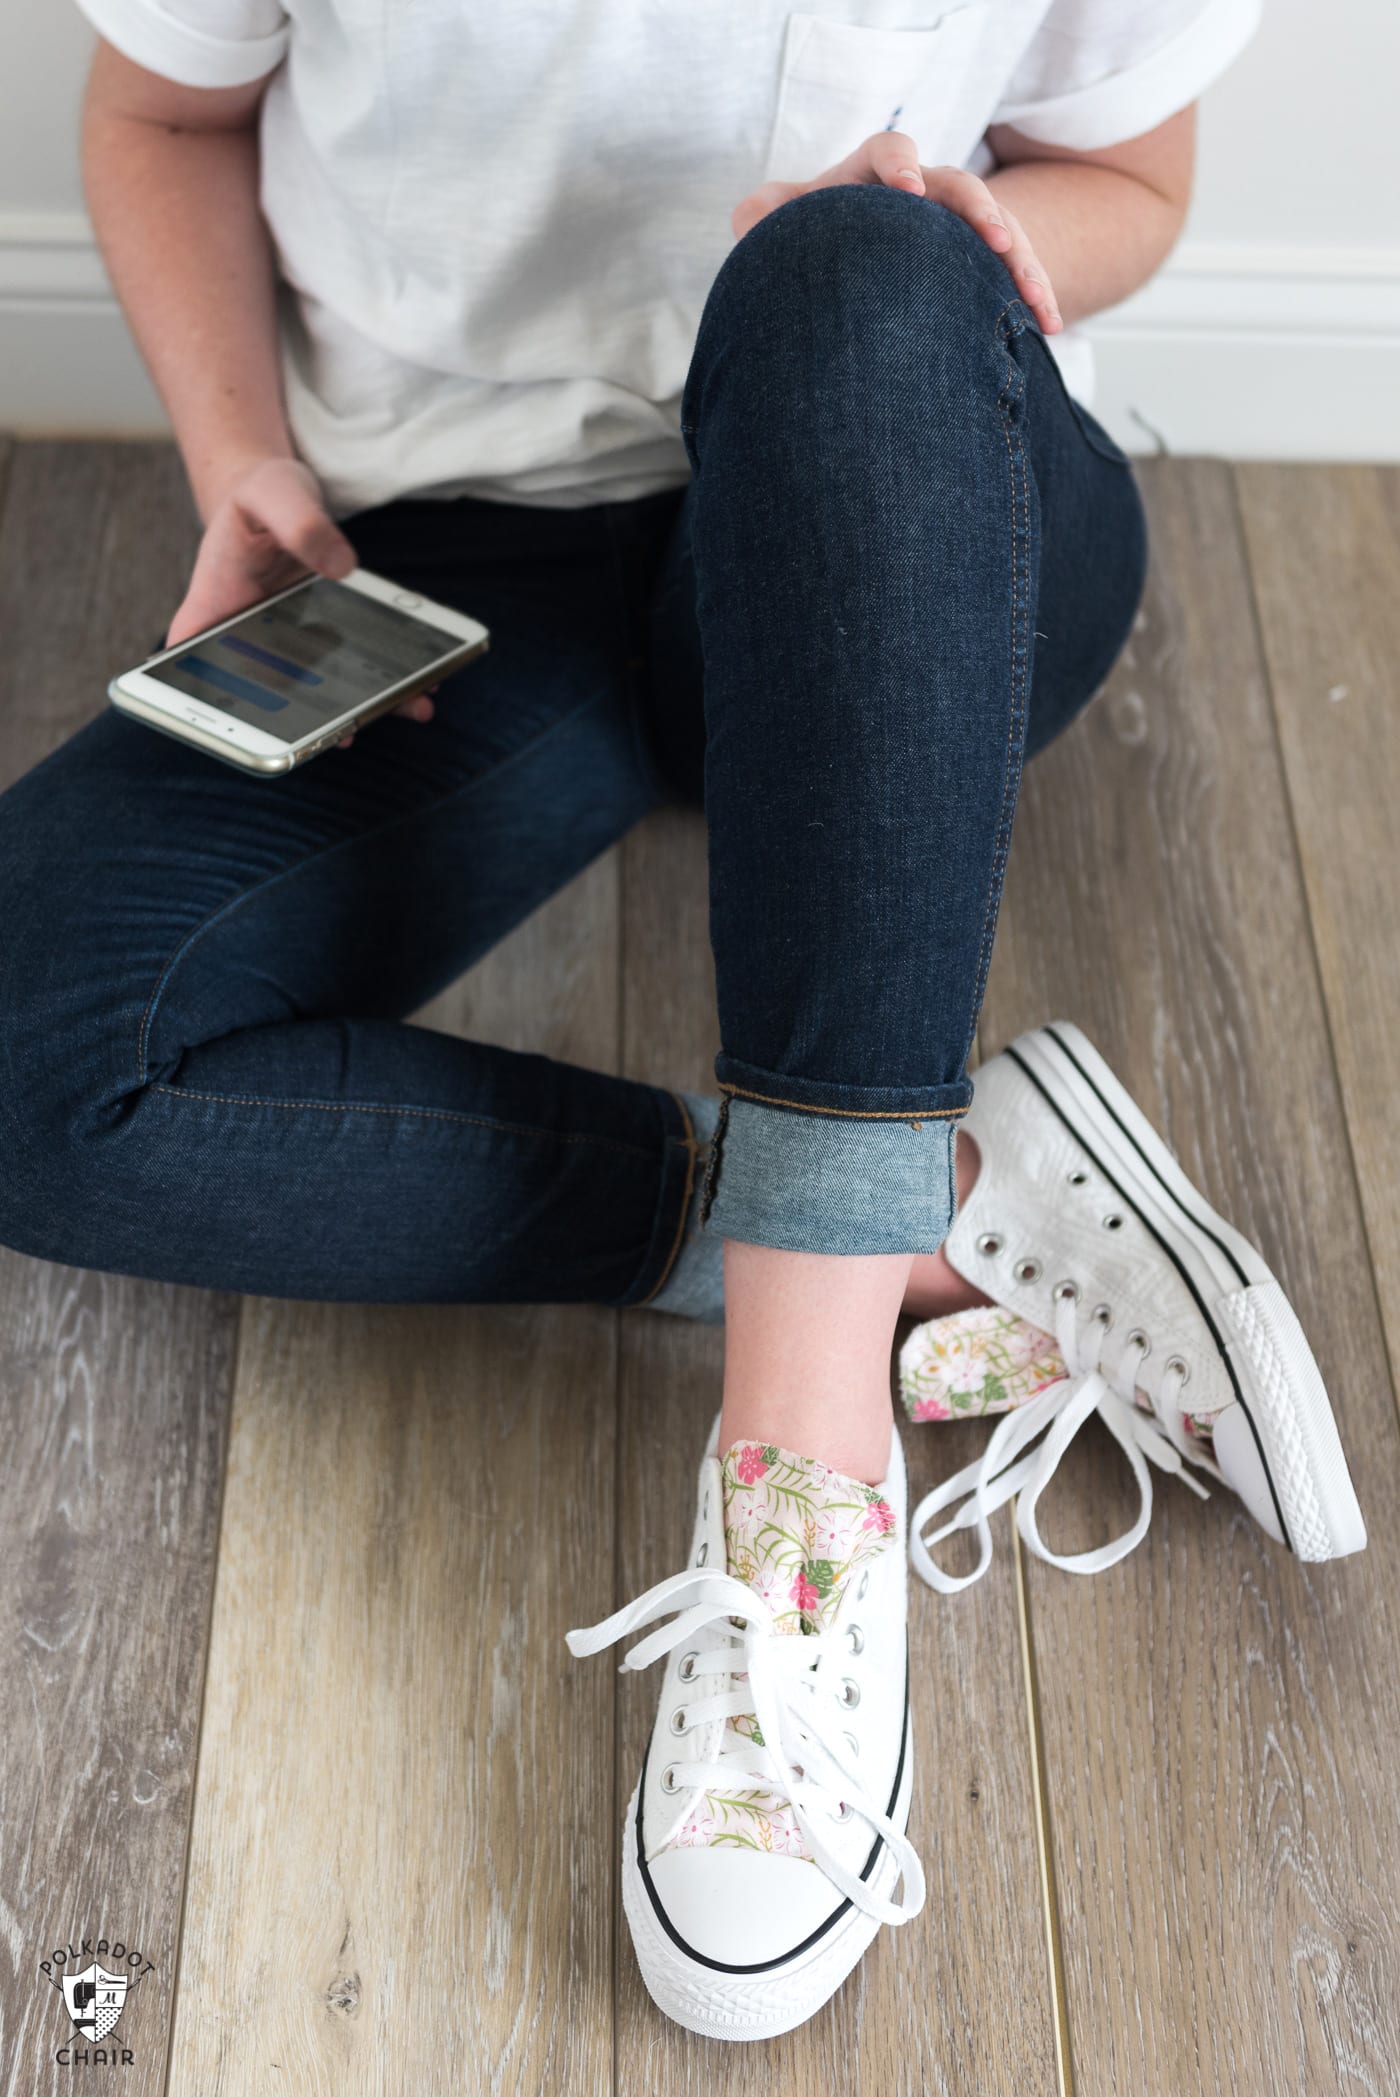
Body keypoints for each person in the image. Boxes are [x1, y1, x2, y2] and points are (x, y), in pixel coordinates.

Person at [0, 0, 1364, 2044]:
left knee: (850, 275)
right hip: (470, 561)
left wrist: (978, 246)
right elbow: (157, 115)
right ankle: (942, 1196)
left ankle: (803, 1469)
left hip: (917, 500)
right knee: (40, 1058)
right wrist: (242, 458)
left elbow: (1135, 187)